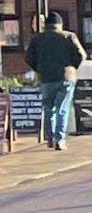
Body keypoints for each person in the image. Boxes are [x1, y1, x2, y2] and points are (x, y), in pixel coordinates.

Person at [25, 15, 85, 152]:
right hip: (66, 77)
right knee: (62, 109)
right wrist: (72, 67)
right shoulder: (69, 36)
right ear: (60, 24)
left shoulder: (37, 39)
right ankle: (60, 139)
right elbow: (82, 55)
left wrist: (39, 68)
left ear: (46, 25)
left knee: (48, 109)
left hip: (45, 78)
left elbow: (28, 58)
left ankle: (50, 138)